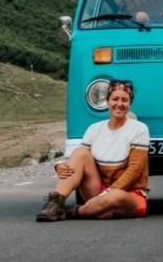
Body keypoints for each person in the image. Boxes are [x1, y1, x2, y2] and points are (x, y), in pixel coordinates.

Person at [36, 79, 149, 221]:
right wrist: (58, 165)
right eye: (115, 99)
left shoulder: (139, 129)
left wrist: (108, 193)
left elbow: (135, 171)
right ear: (107, 102)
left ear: (129, 104)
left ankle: (75, 211)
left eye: (124, 100)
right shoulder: (95, 129)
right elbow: (77, 159)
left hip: (128, 195)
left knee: (116, 197)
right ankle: (56, 204)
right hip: (98, 190)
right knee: (81, 153)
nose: (119, 104)